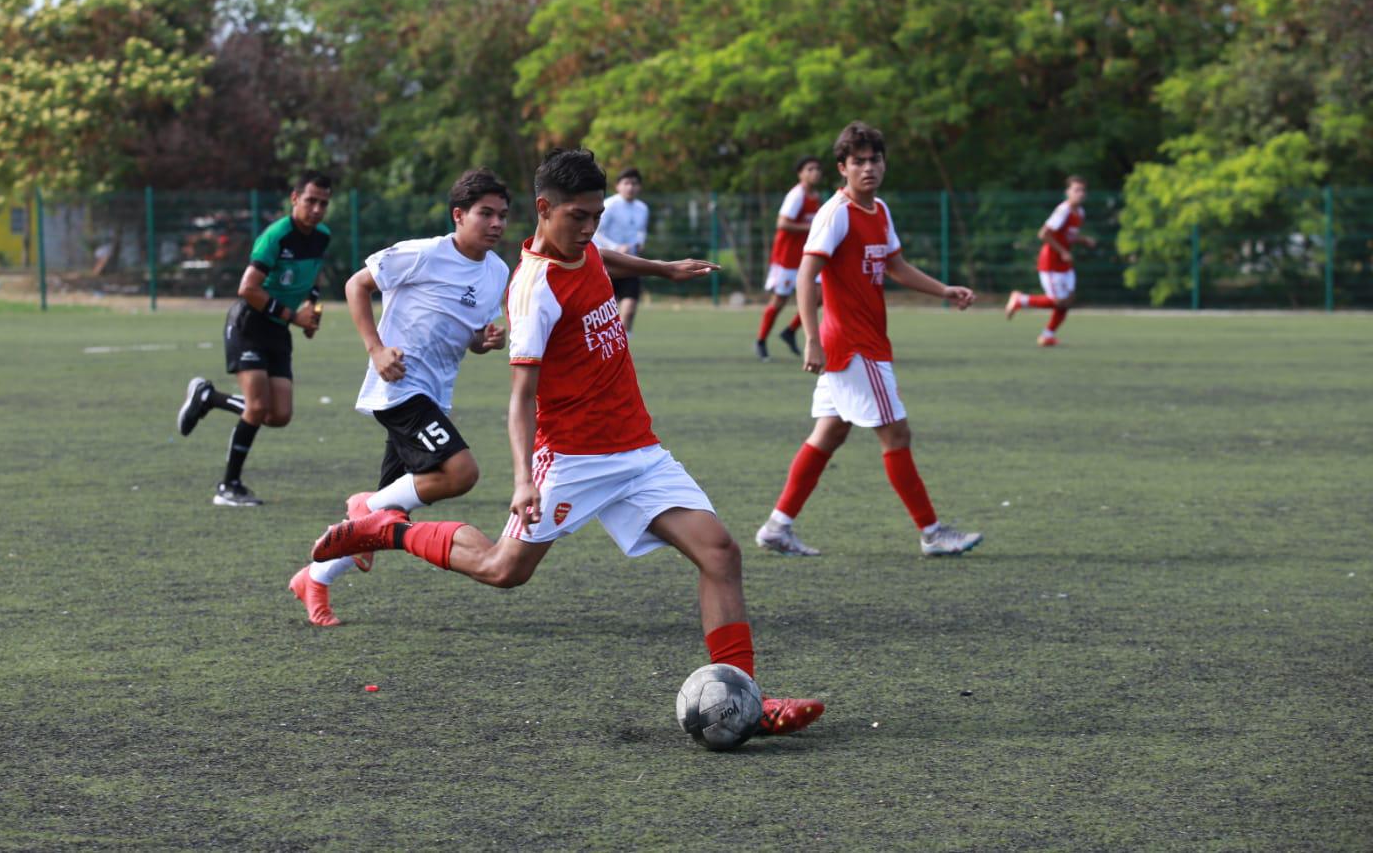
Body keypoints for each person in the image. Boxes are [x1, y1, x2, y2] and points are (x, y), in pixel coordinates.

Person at [308, 149, 824, 736]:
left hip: (638, 452)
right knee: (505, 570)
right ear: (544, 209)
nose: (589, 227)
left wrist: (662, 269)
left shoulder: (586, 249)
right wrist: (525, 478)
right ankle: (389, 528)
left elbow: (604, 257)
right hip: (571, 458)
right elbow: (521, 396)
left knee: (721, 554)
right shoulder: (534, 290)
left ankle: (745, 702)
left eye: (596, 214)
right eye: (577, 216)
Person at [289, 169, 513, 625]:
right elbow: (356, 285)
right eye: (485, 213)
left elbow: (468, 333)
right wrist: (375, 350)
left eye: (503, 216)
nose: (496, 223)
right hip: (400, 386)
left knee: (387, 519)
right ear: (458, 215)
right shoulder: (424, 253)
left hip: (435, 394)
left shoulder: (497, 271)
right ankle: (363, 506)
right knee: (461, 472)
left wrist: (482, 341)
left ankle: (314, 578)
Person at [754, 122, 983, 559]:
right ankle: (932, 533)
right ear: (842, 168)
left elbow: (895, 266)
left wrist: (943, 289)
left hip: (863, 341)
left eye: (874, 159)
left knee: (829, 433)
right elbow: (806, 275)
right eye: (857, 161)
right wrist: (811, 339)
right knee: (896, 434)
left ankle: (777, 527)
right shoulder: (836, 212)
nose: (868, 168)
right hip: (854, 345)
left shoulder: (878, 210)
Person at [175, 171, 332, 507]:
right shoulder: (276, 236)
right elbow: (247, 289)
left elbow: (314, 278)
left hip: (277, 330)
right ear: (294, 199)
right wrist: (294, 316)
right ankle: (228, 486)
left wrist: (312, 311)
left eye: (323, 203)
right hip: (249, 325)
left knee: (280, 415)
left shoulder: (322, 236)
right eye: (311, 201)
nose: (317, 209)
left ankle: (209, 398)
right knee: (258, 407)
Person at [1005, 176, 1096, 347]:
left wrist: (1084, 240)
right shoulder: (1064, 211)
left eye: (1083, 190)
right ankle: (1020, 300)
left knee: (1068, 300)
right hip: (1051, 263)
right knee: (1058, 301)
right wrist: (1062, 252)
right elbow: (1044, 234)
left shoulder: (1080, 213)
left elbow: (1068, 235)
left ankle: (1047, 335)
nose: (1080, 193)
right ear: (1067, 192)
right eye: (1076, 190)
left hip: (1064, 263)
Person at [755, 156, 825, 361]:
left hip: (805, 257)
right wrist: (812, 227)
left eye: (818, 169)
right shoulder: (796, 195)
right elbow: (782, 224)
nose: (815, 172)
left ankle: (790, 330)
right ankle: (761, 340)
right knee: (779, 301)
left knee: (820, 296)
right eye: (810, 169)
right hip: (786, 258)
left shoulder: (815, 196)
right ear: (801, 173)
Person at [591, 167, 648, 333]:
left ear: (639, 187)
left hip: (630, 264)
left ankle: (623, 353)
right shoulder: (608, 205)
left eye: (634, 183)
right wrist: (615, 248)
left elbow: (641, 230)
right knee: (602, 315)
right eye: (626, 183)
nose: (630, 187)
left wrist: (640, 242)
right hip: (607, 264)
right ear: (618, 186)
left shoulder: (642, 208)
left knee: (629, 311)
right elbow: (597, 232)